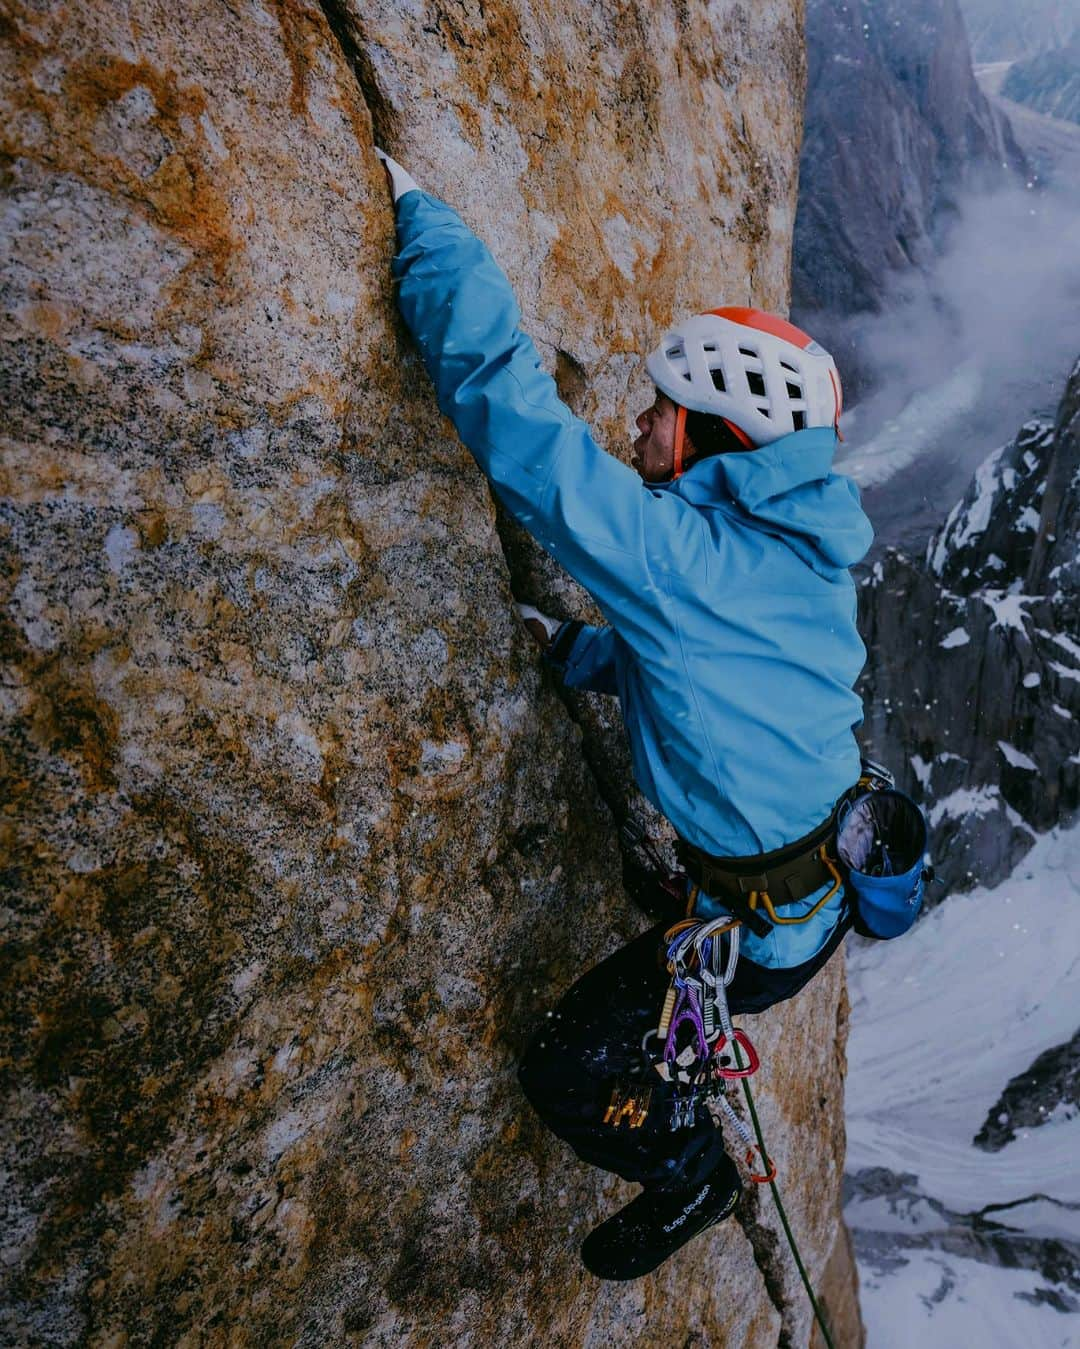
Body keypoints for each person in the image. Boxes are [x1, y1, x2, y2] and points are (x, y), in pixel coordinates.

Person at [375, 149, 874, 1280]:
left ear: (717, 435)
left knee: (565, 1065)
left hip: (749, 928)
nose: (643, 424)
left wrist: (424, 225)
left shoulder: (677, 557)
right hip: (812, 893)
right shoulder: (805, 549)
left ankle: (689, 1163)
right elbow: (719, 664)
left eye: (665, 410)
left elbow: (521, 430)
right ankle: (693, 1032)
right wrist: (583, 654)